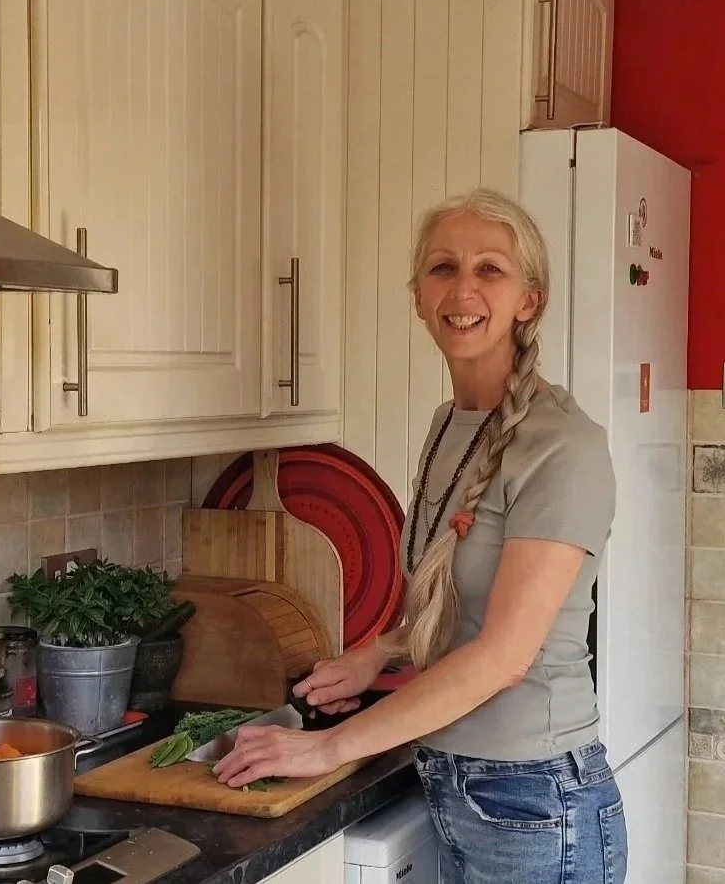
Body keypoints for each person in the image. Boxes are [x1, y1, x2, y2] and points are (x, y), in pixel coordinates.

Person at [210, 188, 625, 884]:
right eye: (442, 268)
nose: (462, 290)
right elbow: (454, 598)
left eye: (490, 269)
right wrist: (379, 652)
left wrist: (329, 748)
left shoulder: (564, 446)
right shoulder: (448, 423)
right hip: (458, 781)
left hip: (535, 799)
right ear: (418, 297)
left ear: (530, 300)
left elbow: (502, 657)